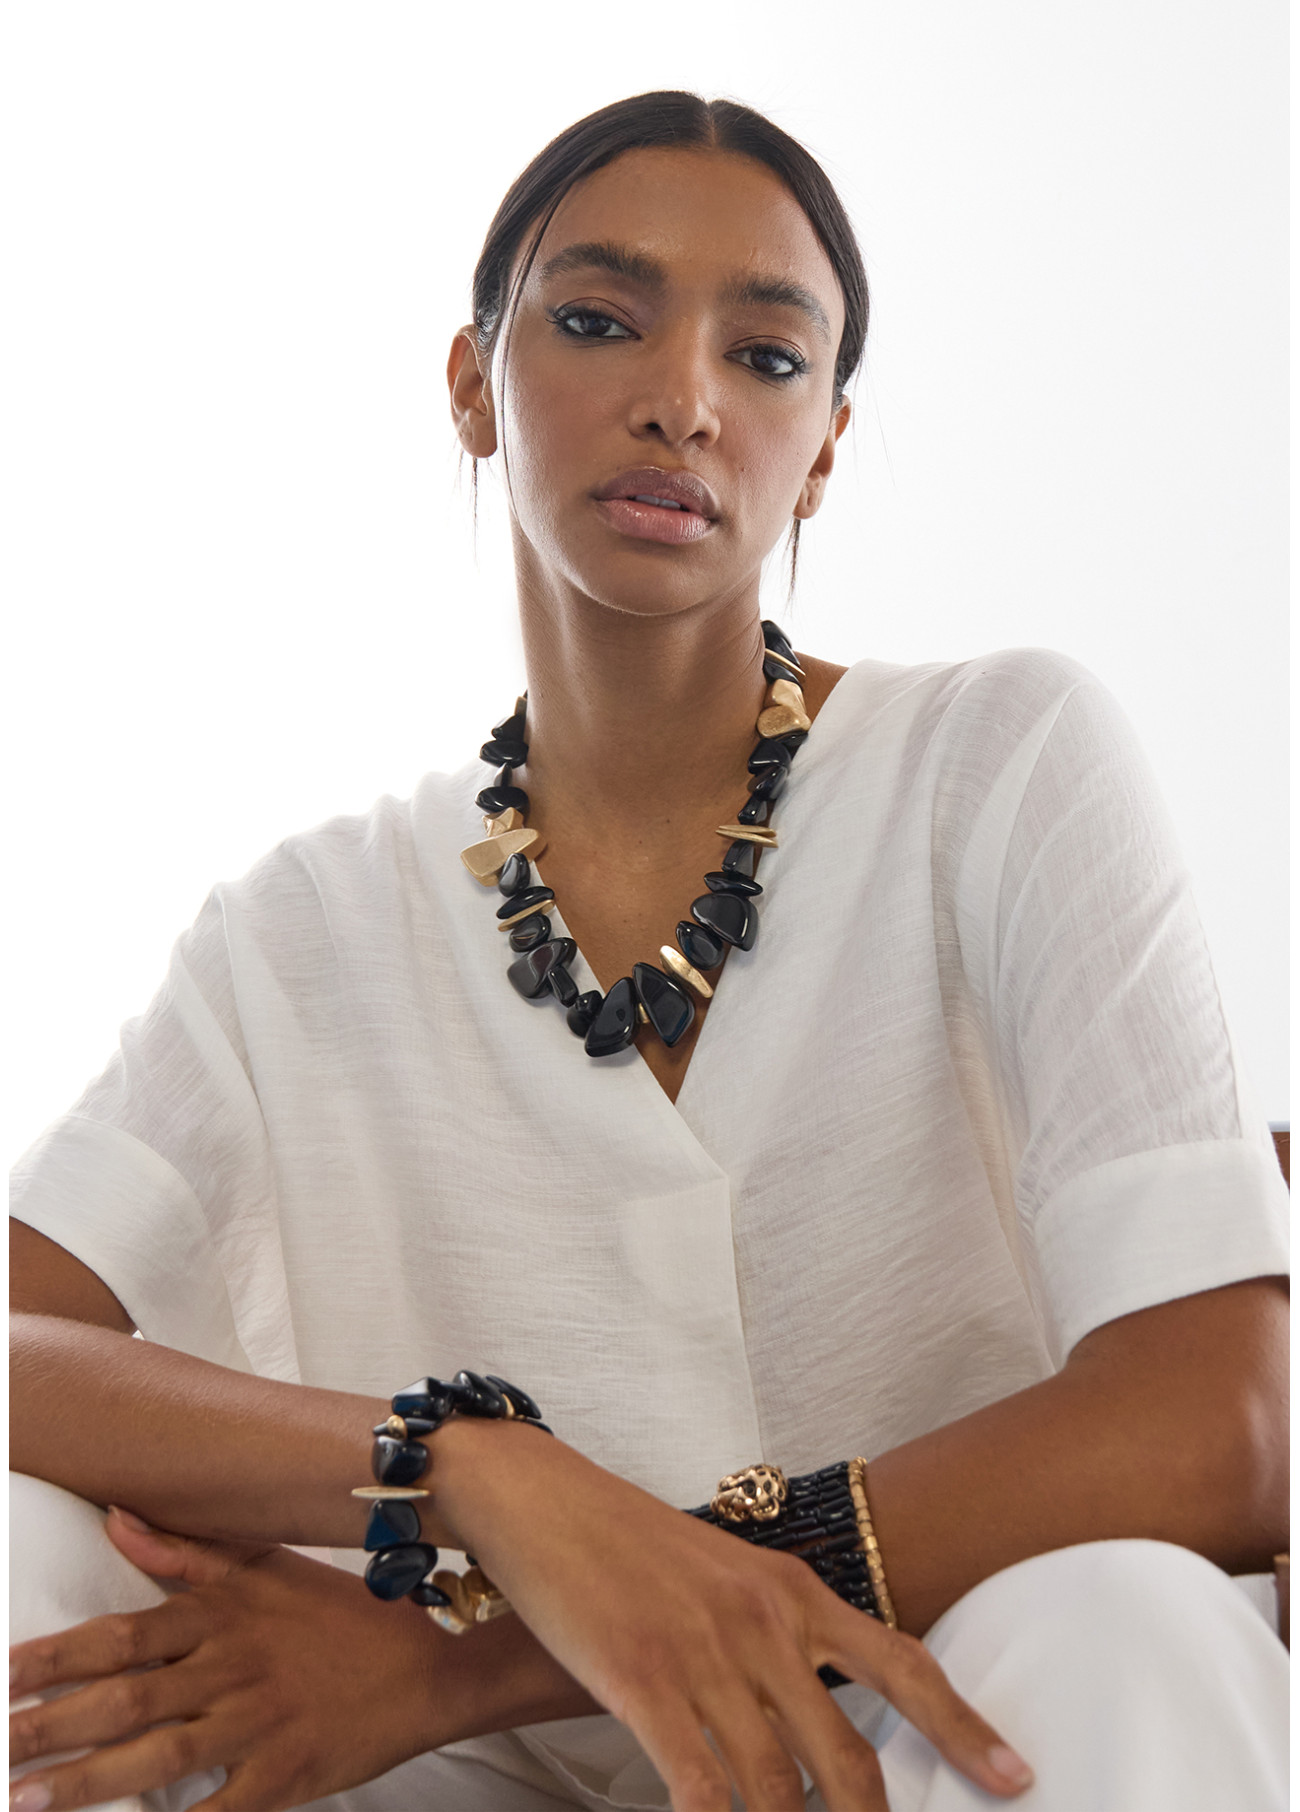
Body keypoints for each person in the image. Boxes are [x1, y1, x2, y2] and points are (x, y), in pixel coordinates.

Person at [8, 90, 1289, 1812]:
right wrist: (458, 1471)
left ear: (823, 446)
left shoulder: (997, 763)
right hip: (476, 1784)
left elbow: (1227, 1424)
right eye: (601, 320)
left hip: (928, 1737)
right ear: (473, 385)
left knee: (1124, 1618)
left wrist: (476, 1654)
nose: (684, 398)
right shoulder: (301, 933)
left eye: (766, 358)